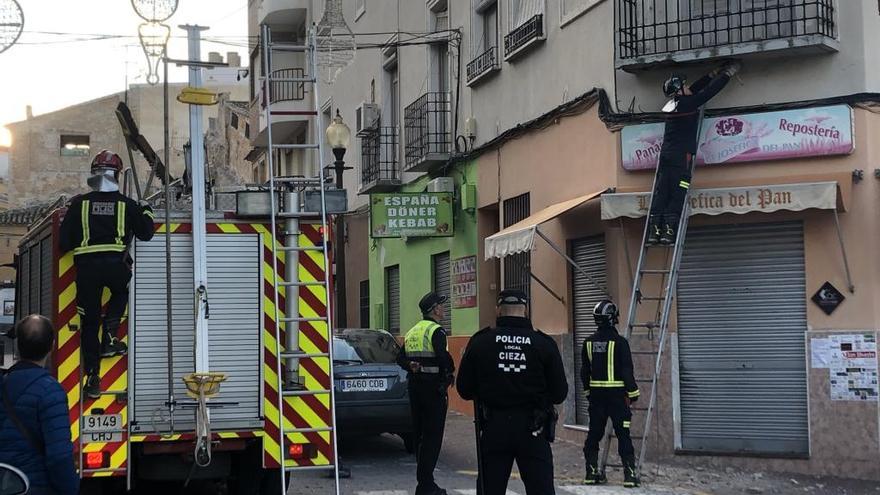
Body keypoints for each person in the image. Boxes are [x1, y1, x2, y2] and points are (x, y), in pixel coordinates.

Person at [59, 150, 155, 399]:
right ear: (118, 174)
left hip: (87, 270)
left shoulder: (79, 204)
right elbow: (145, 233)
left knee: (89, 322)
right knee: (121, 292)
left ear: (94, 173)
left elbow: (64, 242)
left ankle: (93, 377)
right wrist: (146, 210)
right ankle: (111, 337)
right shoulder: (127, 204)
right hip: (116, 267)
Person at [456, 290, 568, 495]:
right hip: (534, 427)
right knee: (541, 489)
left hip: (494, 427)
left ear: (497, 310)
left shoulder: (481, 342)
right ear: (526, 311)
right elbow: (560, 393)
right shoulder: (543, 343)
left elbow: (464, 389)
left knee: (491, 489)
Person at [648, 61, 741, 245]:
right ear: (679, 90)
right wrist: (728, 73)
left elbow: (694, 89)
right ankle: (668, 231)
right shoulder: (688, 103)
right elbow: (707, 93)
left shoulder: (674, 104)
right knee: (679, 190)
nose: (688, 86)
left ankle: (654, 231)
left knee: (662, 192)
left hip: (667, 156)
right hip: (681, 158)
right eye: (684, 85)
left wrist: (712, 73)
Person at [0, 315, 79, 495]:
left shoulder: (4, 383)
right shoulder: (51, 392)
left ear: (18, 346)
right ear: (52, 345)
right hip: (35, 486)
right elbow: (59, 457)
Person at [397, 292, 455, 495]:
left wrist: (410, 365)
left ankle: (423, 482)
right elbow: (443, 359)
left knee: (420, 434)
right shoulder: (437, 331)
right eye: (441, 306)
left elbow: (399, 358)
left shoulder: (413, 331)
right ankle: (426, 483)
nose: (444, 309)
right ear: (435, 310)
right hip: (433, 391)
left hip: (415, 389)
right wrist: (449, 374)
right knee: (433, 436)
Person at [581, 300, 641, 488]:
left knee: (594, 435)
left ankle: (591, 474)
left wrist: (589, 393)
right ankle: (630, 476)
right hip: (617, 398)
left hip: (597, 399)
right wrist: (633, 394)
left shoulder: (588, 343)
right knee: (623, 435)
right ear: (612, 318)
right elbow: (626, 371)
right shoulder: (620, 343)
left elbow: (584, 372)